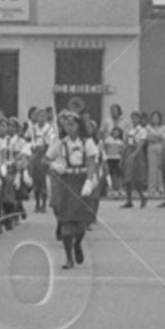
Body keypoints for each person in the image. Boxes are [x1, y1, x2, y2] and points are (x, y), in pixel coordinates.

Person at [48, 110, 99, 269]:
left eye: (72, 124)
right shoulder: (60, 143)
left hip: (81, 180)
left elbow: (91, 163)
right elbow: (46, 159)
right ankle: (69, 257)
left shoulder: (87, 143)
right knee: (66, 221)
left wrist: (89, 182)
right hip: (66, 182)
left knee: (81, 222)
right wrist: (55, 166)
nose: (69, 128)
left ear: (79, 126)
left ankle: (78, 243)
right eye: (66, 125)